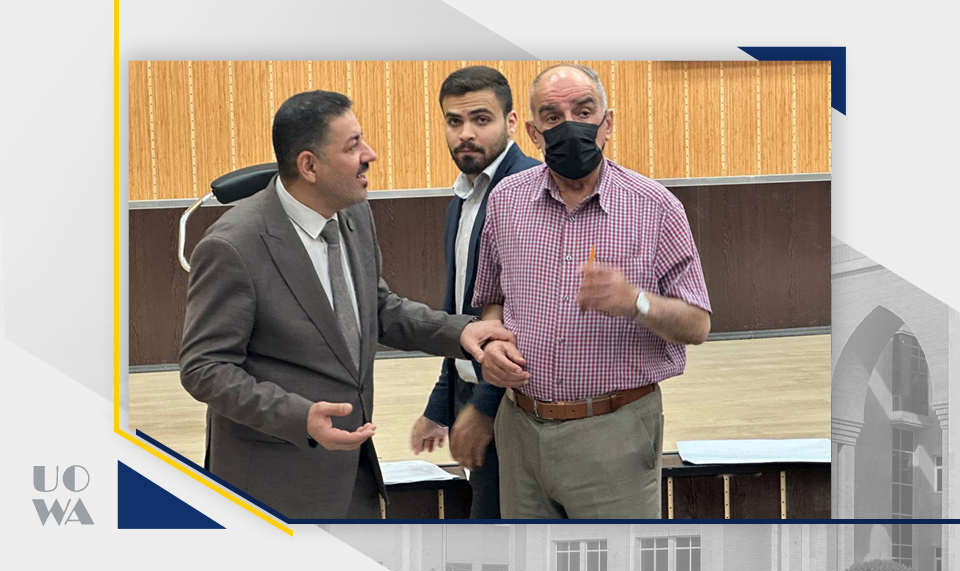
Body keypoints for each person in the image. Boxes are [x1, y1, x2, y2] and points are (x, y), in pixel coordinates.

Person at [179, 90, 515, 520]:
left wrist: (461, 331)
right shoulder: (234, 245)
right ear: (309, 166)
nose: (369, 155)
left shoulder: (353, 214)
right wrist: (298, 417)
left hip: (354, 475)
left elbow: (377, 309)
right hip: (272, 482)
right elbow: (204, 368)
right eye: (353, 145)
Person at [472, 64, 712, 519]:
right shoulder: (505, 201)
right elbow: (492, 301)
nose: (570, 126)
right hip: (520, 430)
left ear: (608, 122)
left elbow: (698, 325)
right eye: (552, 116)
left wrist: (635, 302)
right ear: (533, 132)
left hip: (614, 434)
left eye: (584, 112)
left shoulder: (655, 207)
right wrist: (492, 344)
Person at [408, 66, 539, 519]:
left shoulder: (529, 193)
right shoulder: (460, 202)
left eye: (481, 119)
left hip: (514, 402)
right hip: (473, 394)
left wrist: (483, 408)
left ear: (511, 122)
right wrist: (441, 406)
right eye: (454, 121)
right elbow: (462, 319)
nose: (465, 133)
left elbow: (526, 322)